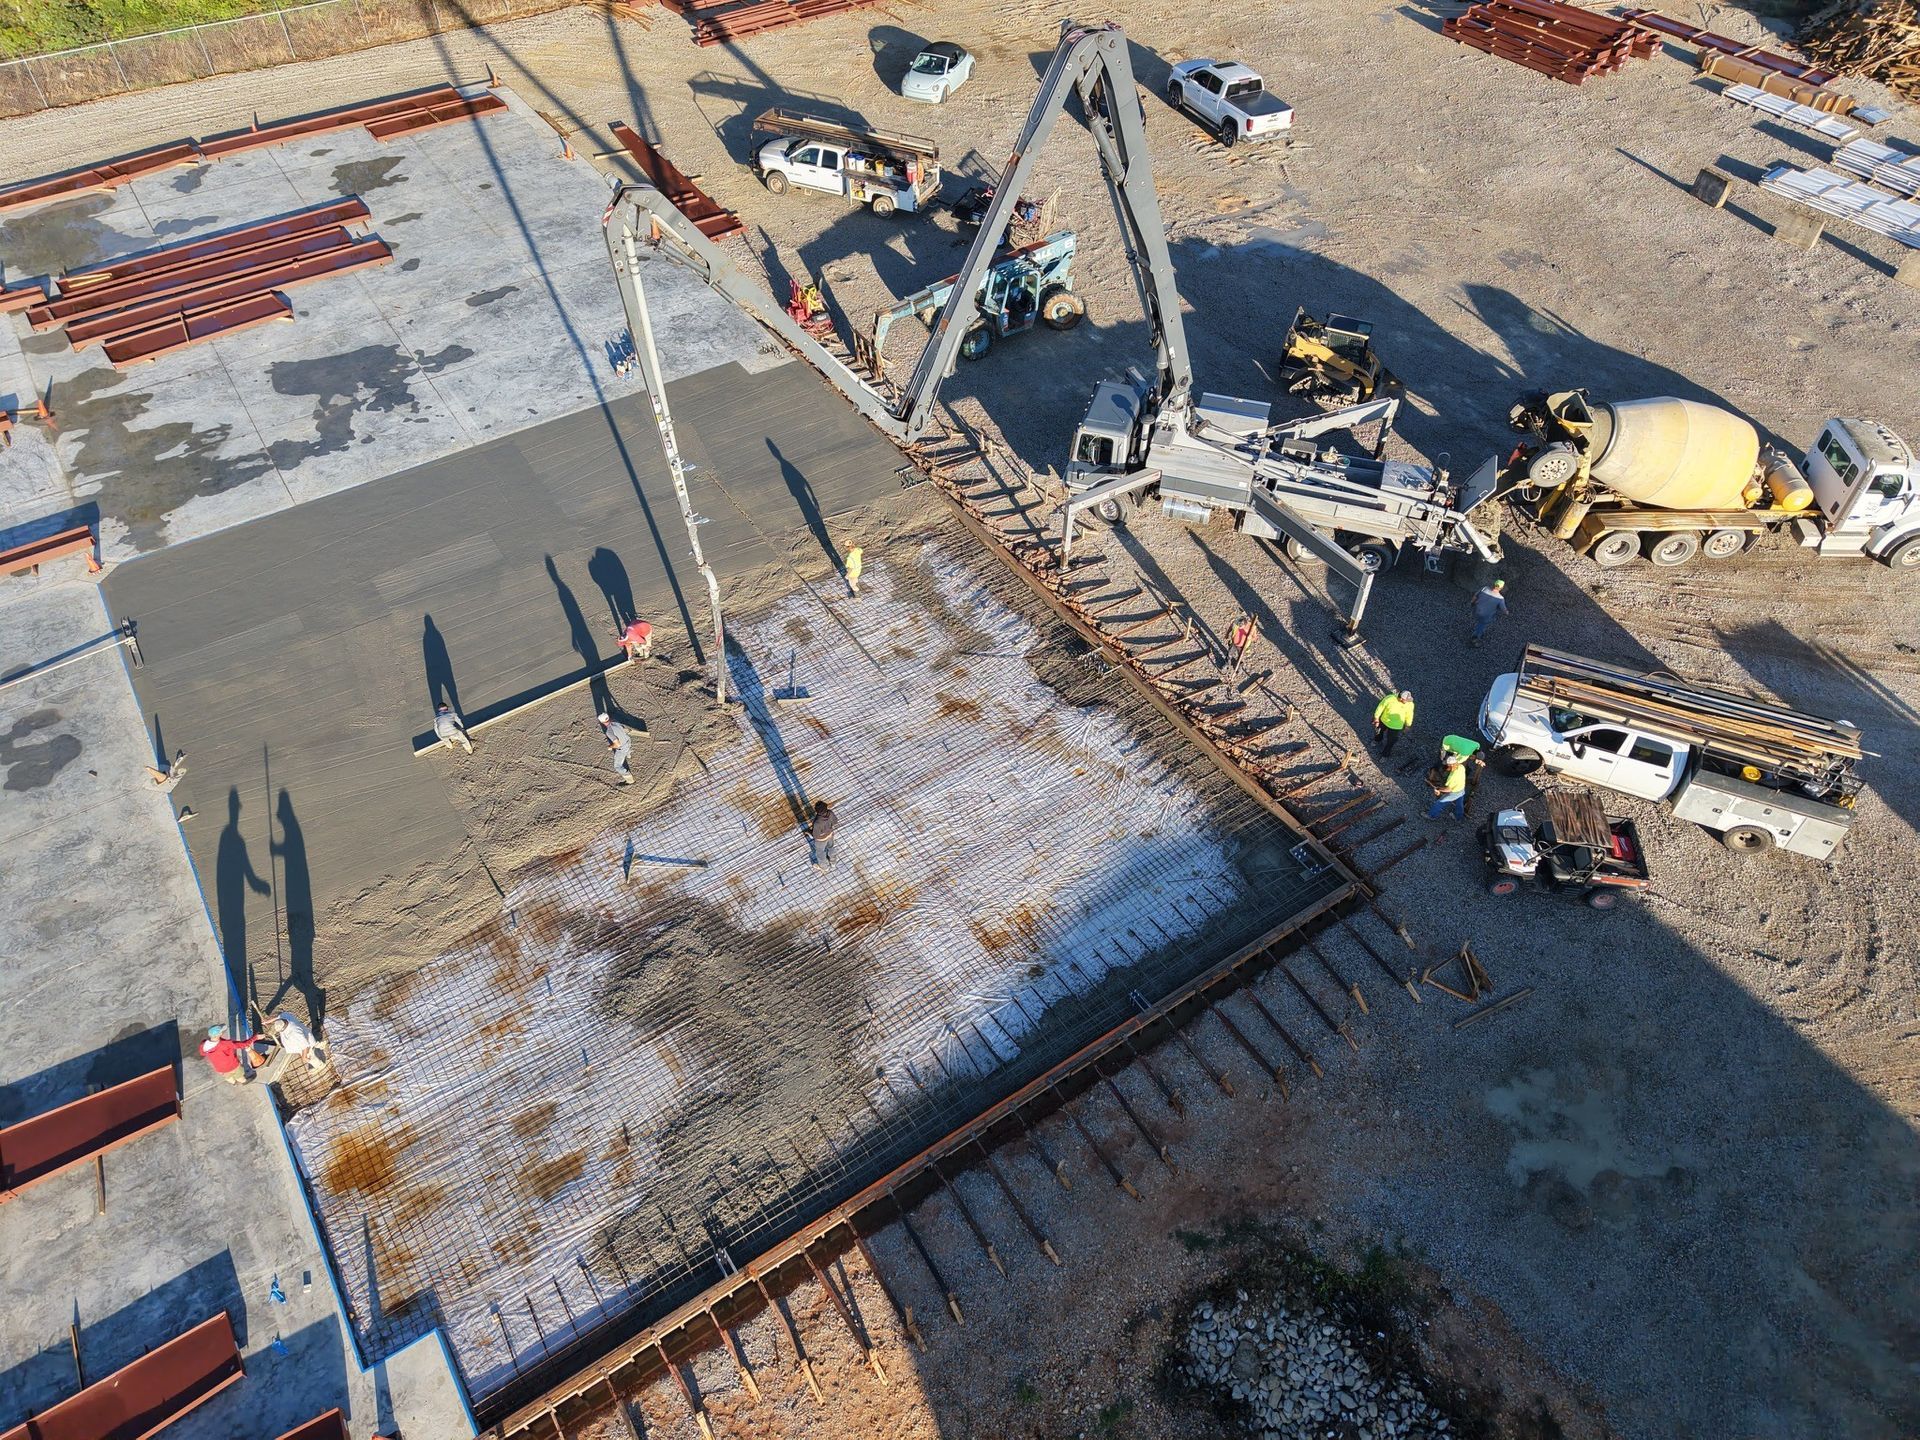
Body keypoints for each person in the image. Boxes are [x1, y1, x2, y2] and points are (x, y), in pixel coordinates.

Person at [200, 1023, 273, 1085]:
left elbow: (202, 1053)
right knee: (239, 1075)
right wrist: (255, 1037)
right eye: (221, 1032)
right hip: (232, 1066)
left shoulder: (203, 1044)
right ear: (218, 1035)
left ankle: (233, 1083)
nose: (222, 1032)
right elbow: (243, 1044)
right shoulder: (225, 1044)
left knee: (228, 1077)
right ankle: (244, 1081)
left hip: (220, 1069)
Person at [1371, 689, 1414, 756]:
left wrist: (1408, 725)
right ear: (1401, 698)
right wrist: (1376, 718)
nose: (1408, 701)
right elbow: (1381, 707)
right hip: (1384, 721)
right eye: (1406, 700)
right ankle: (1377, 740)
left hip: (1396, 726)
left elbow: (1409, 715)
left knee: (1391, 741)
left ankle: (1385, 754)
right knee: (1379, 732)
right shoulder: (1390, 698)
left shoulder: (1410, 704)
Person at [1427, 753, 1468, 821]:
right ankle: (1458, 817)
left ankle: (1431, 815)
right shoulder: (1461, 767)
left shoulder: (1452, 776)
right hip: (1461, 788)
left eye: (1447, 765)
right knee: (1459, 804)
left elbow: (1448, 789)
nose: (1447, 766)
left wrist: (1438, 789)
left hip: (1455, 792)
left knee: (1440, 802)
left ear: (1451, 765)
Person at [1469, 579, 1509, 647]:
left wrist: (1472, 603)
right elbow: (1504, 610)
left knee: (1480, 622)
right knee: (1481, 625)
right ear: (1501, 588)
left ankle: (1479, 632)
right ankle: (1475, 638)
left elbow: (1474, 597)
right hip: (1485, 616)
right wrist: (1507, 612)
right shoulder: (1500, 598)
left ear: (1494, 584)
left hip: (1476, 611)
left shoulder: (1484, 588)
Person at [599, 713, 633, 785]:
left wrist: (610, 747)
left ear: (602, 722)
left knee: (617, 766)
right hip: (628, 741)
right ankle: (628, 755)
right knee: (627, 750)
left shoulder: (609, 732)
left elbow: (617, 744)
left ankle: (630, 780)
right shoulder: (616, 722)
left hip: (622, 748)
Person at [808, 799, 838, 866]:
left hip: (821, 840)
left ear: (817, 811)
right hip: (830, 835)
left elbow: (816, 835)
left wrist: (810, 832)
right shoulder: (830, 813)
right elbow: (835, 821)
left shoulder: (817, 822)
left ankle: (824, 867)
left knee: (820, 852)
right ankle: (833, 862)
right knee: (831, 847)